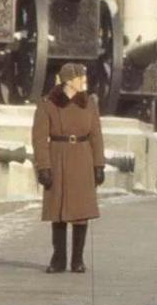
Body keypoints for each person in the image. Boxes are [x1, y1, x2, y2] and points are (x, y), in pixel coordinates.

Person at [32, 63, 106, 273]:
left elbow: (96, 136)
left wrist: (98, 164)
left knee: (81, 212)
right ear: (68, 81)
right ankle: (58, 259)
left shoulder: (89, 103)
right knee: (59, 212)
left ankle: (78, 260)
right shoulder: (48, 104)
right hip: (58, 158)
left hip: (83, 159)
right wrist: (43, 166)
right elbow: (39, 139)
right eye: (81, 78)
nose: (84, 82)